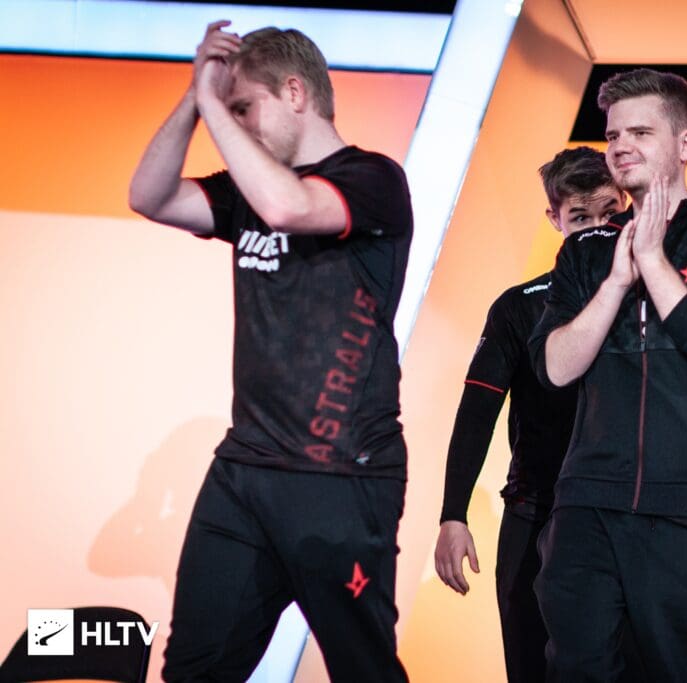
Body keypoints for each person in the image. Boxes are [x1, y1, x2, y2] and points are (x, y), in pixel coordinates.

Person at [128, 21, 412, 682]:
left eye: (243, 108)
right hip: (244, 472)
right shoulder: (248, 192)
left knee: (363, 670)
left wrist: (212, 103)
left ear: (295, 92)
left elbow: (288, 207)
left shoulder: (373, 178)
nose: (231, 126)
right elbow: (148, 195)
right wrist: (193, 98)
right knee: (193, 670)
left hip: (340, 477)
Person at [528, 68, 687, 682]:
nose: (620, 146)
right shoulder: (584, 252)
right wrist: (616, 281)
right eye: (613, 135)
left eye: (640, 132)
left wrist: (653, 261)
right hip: (586, 506)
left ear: (685, 143)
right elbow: (555, 367)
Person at [434, 147, 626, 683]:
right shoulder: (520, 306)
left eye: (609, 213)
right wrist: (452, 514)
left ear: (627, 204)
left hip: (628, 515)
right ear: (554, 219)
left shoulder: (653, 301)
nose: (597, 229)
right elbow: (478, 411)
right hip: (536, 512)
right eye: (580, 217)